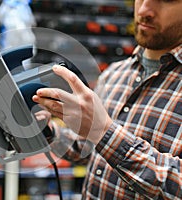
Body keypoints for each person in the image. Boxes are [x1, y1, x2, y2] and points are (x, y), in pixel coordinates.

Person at [32, 0, 182, 199]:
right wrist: (46, 131)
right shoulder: (114, 74)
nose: (144, 9)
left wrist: (103, 131)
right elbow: (89, 149)